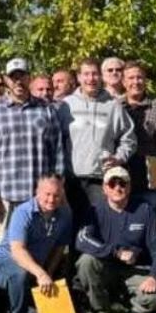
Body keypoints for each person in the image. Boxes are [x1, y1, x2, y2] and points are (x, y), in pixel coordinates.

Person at [0, 58, 69, 237]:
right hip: (6, 196)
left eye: (23, 76)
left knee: (38, 247)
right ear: (6, 79)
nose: (18, 81)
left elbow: (56, 153)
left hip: (39, 196)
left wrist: (56, 186)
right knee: (6, 250)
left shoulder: (46, 109)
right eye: (13, 77)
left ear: (30, 78)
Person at [74, 166, 156, 313]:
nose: (117, 188)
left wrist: (154, 276)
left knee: (155, 299)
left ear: (129, 187)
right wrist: (115, 252)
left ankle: (126, 304)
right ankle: (101, 311)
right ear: (104, 188)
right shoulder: (95, 210)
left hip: (136, 271)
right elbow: (82, 240)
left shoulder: (145, 210)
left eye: (122, 184)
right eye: (112, 184)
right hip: (107, 269)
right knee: (86, 261)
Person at [0, 174, 75, 313]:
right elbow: (18, 251)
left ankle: (26, 308)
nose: (51, 199)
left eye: (56, 195)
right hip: (4, 264)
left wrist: (49, 273)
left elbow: (60, 247)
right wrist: (41, 274)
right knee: (19, 273)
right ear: (37, 192)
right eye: (47, 194)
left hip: (35, 269)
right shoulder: (23, 212)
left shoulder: (65, 214)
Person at [57, 58, 136, 210]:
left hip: (101, 180)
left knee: (99, 226)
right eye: (86, 74)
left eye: (94, 74)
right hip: (71, 180)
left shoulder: (113, 106)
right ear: (79, 77)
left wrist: (119, 158)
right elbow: (56, 140)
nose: (90, 79)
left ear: (100, 77)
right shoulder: (66, 105)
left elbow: (129, 138)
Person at [120, 61, 156, 206]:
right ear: (124, 82)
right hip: (124, 171)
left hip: (152, 171)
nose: (136, 82)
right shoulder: (116, 107)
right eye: (131, 78)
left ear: (145, 81)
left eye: (139, 78)